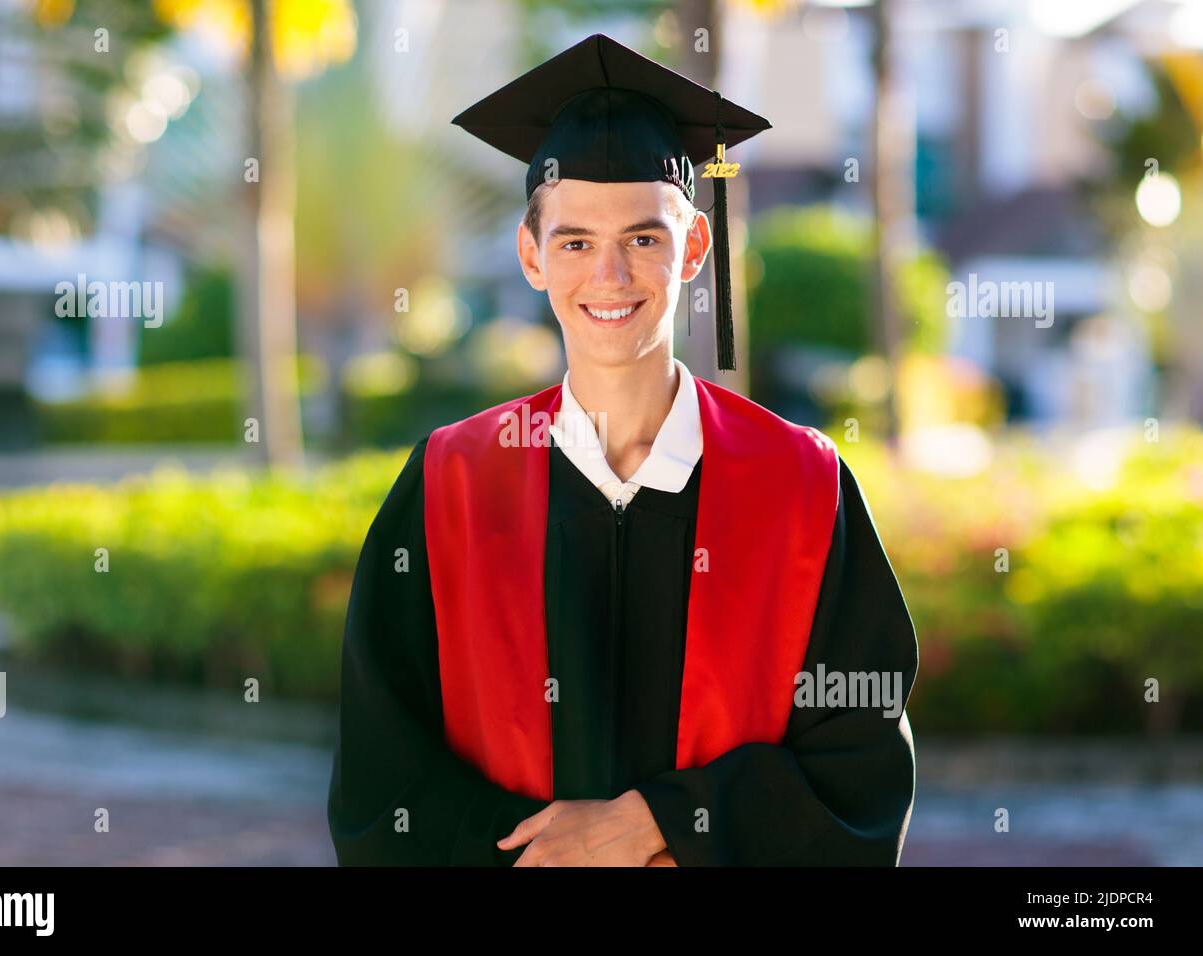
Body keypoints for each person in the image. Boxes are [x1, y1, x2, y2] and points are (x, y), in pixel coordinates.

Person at [327, 33, 918, 867]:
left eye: (643, 239)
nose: (609, 276)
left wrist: (664, 823)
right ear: (532, 255)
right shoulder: (451, 484)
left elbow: (861, 764)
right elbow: (379, 773)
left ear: (694, 250)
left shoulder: (798, 487)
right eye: (574, 242)